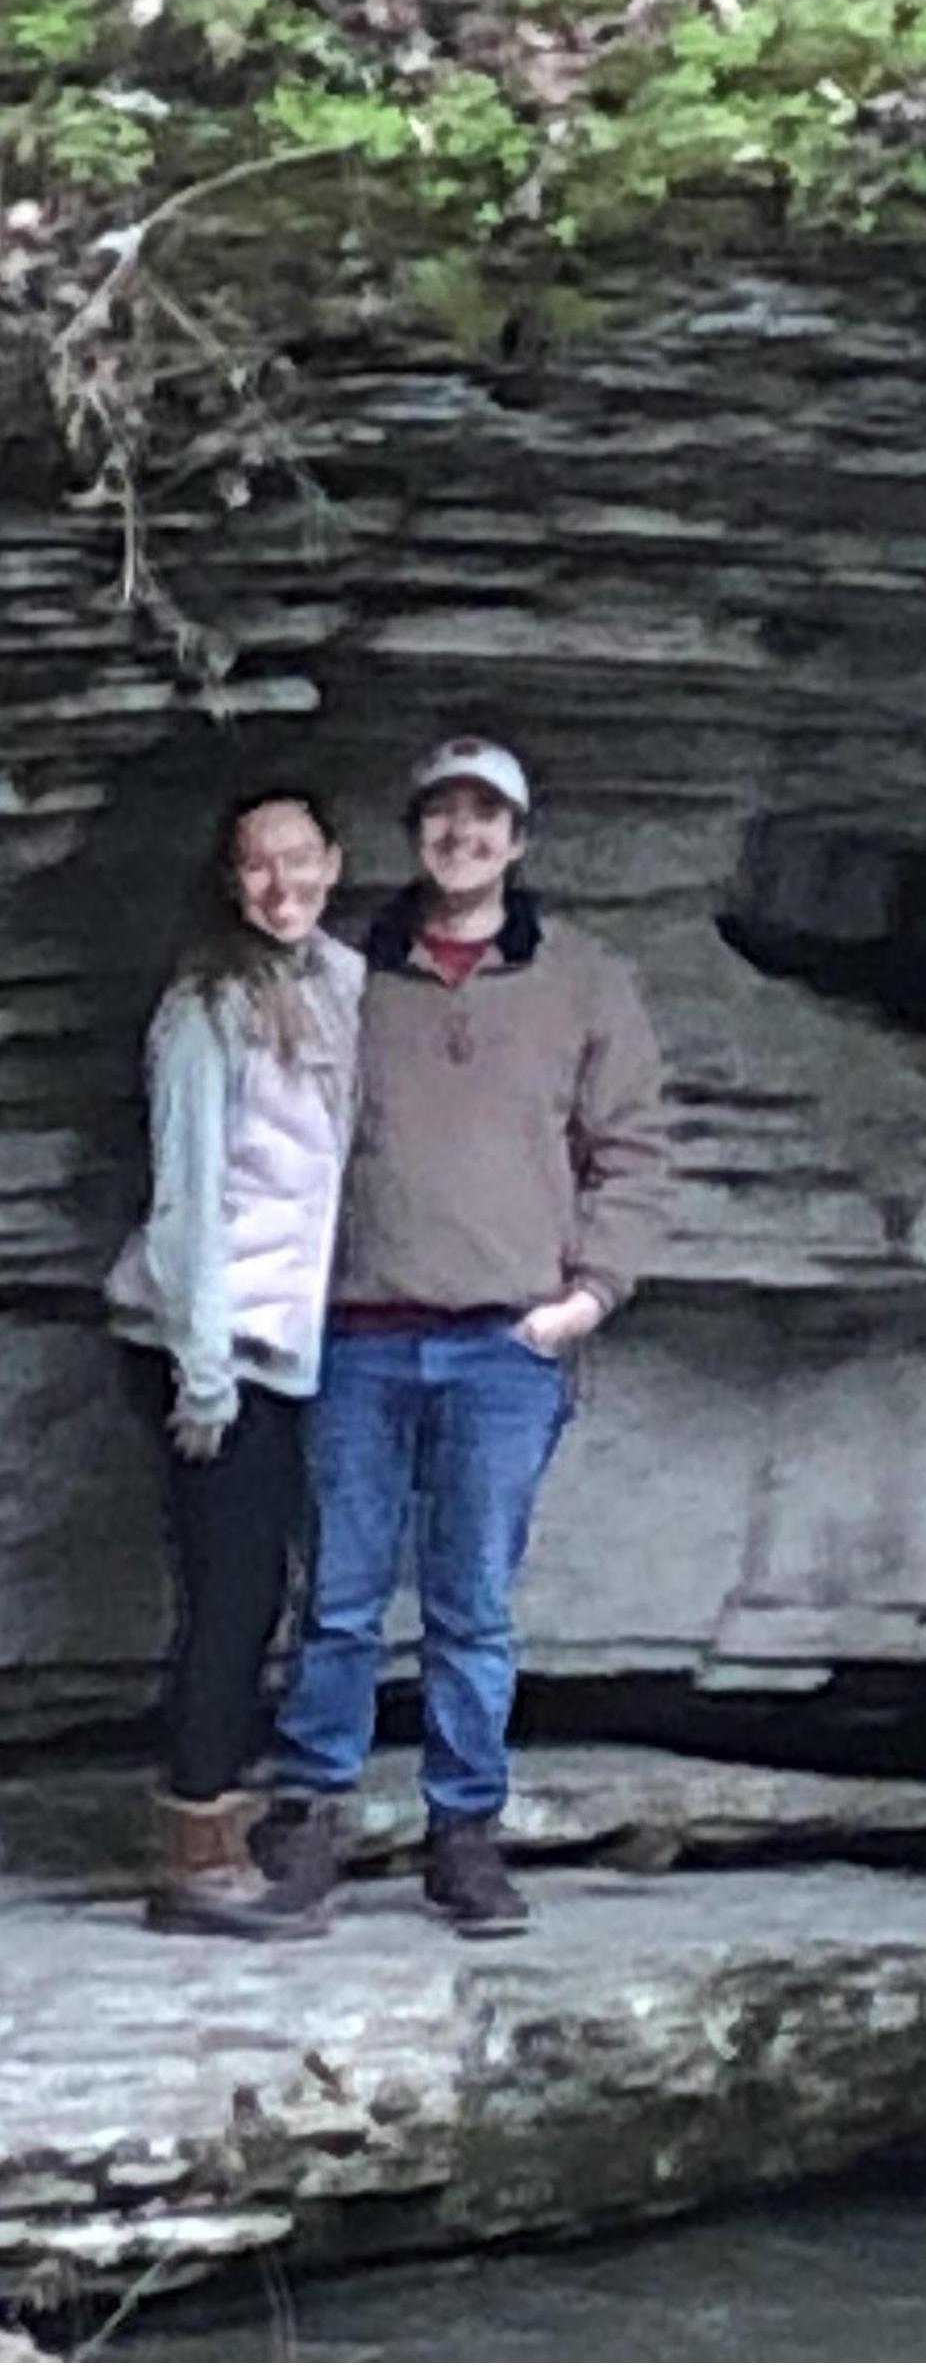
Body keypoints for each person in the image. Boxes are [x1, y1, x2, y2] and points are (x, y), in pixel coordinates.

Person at [249, 736, 672, 1939]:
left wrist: (588, 1296)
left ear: (520, 841)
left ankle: (465, 1834)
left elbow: (633, 1147)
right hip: (359, 1334)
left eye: (488, 818)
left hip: (505, 1341)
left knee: (472, 1601)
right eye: (443, 815)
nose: (463, 836)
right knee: (335, 1595)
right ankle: (310, 1822)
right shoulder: (345, 974)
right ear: (414, 833)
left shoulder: (584, 980)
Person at [107, 789, 364, 1937]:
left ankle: (216, 1812)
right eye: (257, 867)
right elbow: (187, 1203)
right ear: (229, 881)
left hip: (289, 1345)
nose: (280, 886)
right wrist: (203, 1372)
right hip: (204, 1346)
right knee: (231, 1597)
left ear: (334, 864)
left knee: (260, 1589)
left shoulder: (339, 986)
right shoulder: (204, 1009)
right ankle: (195, 1846)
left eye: (299, 860)